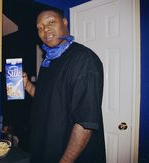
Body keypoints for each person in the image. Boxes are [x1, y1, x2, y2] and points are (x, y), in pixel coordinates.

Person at [22, 9, 106, 163]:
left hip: (69, 155)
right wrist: (27, 85)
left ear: (65, 22)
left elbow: (85, 123)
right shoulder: (49, 61)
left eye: (51, 22)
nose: (45, 29)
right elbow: (46, 98)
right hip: (46, 148)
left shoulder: (83, 60)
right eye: (40, 27)